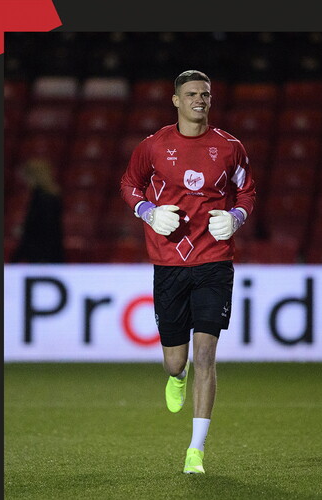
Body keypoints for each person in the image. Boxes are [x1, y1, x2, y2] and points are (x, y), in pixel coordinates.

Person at [119, 69, 257, 474]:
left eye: (206, 93)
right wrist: (146, 211)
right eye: (192, 93)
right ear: (175, 100)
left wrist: (235, 216)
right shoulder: (153, 146)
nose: (200, 99)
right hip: (169, 263)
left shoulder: (230, 147)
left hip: (215, 259)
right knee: (175, 361)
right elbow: (129, 183)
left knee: (206, 354)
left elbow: (248, 190)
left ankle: (195, 450)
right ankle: (175, 377)